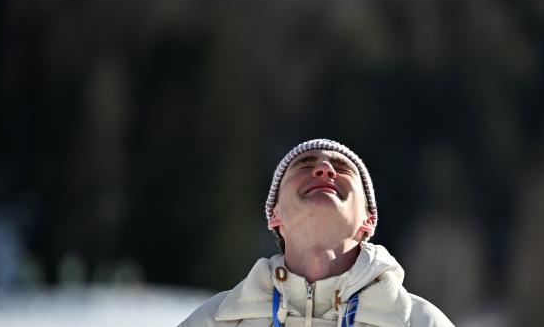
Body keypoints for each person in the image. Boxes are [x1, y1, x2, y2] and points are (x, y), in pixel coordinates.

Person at [178, 139, 454, 327]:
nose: (324, 170)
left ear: (368, 221)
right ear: (274, 215)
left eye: (342, 169)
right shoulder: (219, 320)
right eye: (306, 166)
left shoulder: (418, 322)